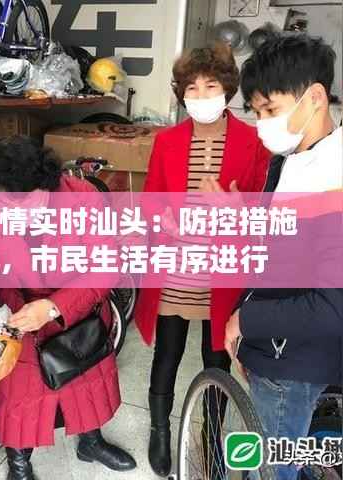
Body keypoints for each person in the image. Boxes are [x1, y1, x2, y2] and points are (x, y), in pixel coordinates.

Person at [133, 42, 271, 477]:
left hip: (222, 271)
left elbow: (264, 207)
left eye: (210, 85)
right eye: (191, 88)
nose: (201, 95)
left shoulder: (254, 141)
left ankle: (211, 436)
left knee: (217, 362)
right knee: (167, 355)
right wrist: (163, 222)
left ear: (227, 88)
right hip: (175, 269)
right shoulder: (167, 141)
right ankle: (159, 430)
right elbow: (152, 200)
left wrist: (236, 211)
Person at [0, 135, 137, 480]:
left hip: (76, 311)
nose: (12, 213)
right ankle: (19, 465)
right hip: (17, 315)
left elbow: (107, 266)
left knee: (86, 387)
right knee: (20, 399)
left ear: (45, 184)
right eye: (4, 204)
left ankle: (90, 442)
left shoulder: (82, 197)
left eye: (21, 203)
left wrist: (52, 307)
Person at [224, 34, 343, 480]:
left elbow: (332, 308)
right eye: (255, 112)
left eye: (270, 110)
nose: (262, 124)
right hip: (273, 345)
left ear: (315, 97)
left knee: (270, 469)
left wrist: (246, 321)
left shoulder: (333, 177)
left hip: (293, 360)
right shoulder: (292, 160)